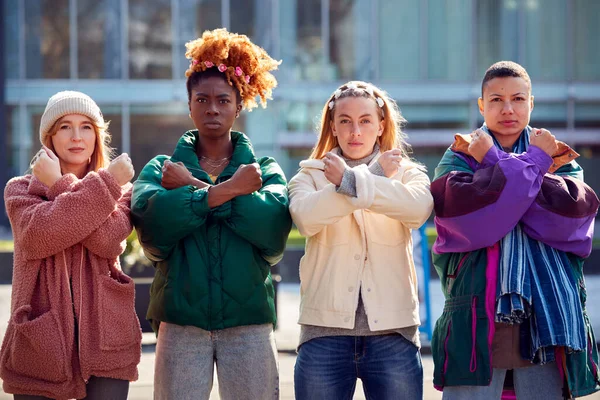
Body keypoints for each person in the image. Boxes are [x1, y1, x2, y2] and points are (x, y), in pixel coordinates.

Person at [131, 28, 292, 400]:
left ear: (239, 105)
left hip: (249, 324)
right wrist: (230, 190)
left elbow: (272, 231)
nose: (212, 108)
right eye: (201, 99)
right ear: (189, 105)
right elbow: (153, 229)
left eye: (223, 99)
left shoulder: (263, 170)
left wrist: (195, 188)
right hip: (180, 324)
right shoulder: (161, 169)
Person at [430, 61, 600, 399]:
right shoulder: (459, 156)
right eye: (496, 100)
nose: (508, 109)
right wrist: (533, 169)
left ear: (531, 103)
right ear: (481, 105)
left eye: (518, 99)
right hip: (476, 314)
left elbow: (567, 221)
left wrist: (493, 161)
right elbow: (475, 223)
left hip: (546, 319)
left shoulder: (559, 157)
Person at [288, 80, 433, 400]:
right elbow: (307, 218)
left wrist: (352, 181)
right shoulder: (308, 175)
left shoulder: (407, 172)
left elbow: (418, 210)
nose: (356, 131)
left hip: (393, 334)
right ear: (333, 127)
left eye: (365, 120)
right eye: (345, 121)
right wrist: (373, 177)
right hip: (322, 334)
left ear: (381, 126)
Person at [1, 91, 142, 400]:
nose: (76, 136)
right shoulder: (20, 190)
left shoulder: (122, 192)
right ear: (49, 137)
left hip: (107, 338)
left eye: (86, 126)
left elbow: (106, 240)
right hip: (41, 341)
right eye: (65, 126)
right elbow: (38, 237)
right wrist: (76, 187)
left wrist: (60, 185)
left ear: (97, 135)